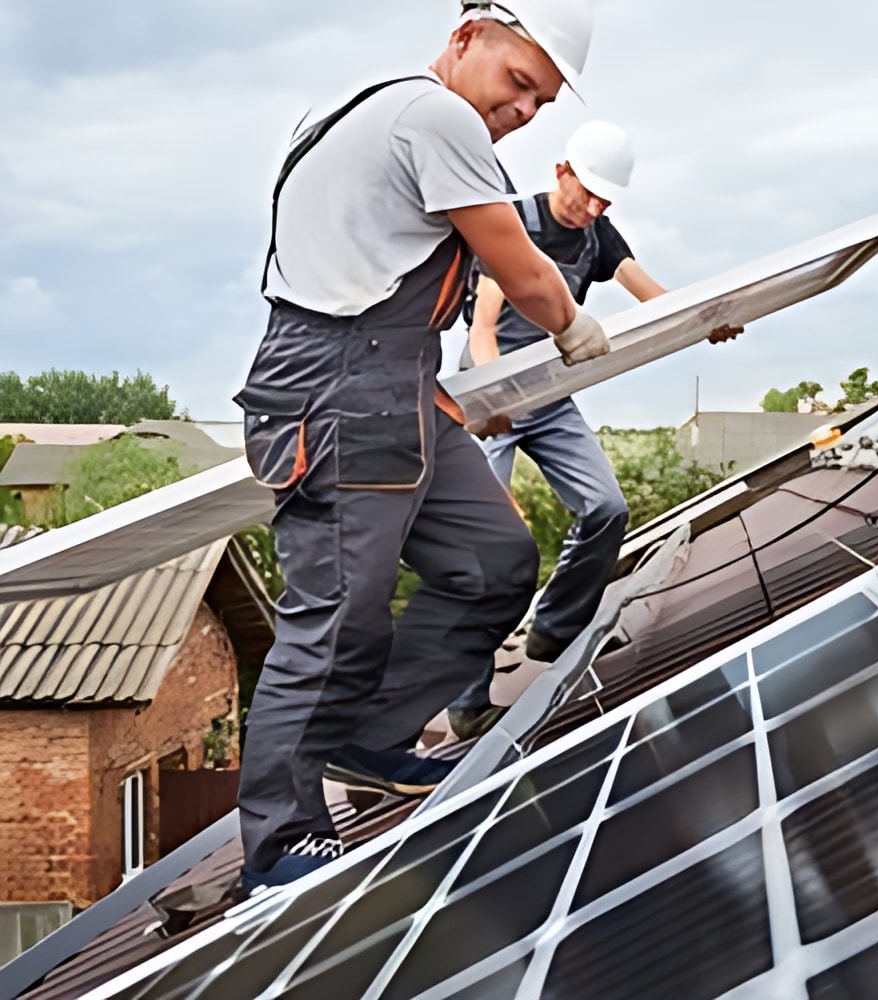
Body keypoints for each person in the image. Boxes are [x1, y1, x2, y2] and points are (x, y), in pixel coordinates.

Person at [232, 0, 604, 893]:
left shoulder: (368, 115)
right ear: (468, 33)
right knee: (338, 615)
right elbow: (519, 267)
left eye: (542, 102)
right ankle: (280, 842)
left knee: (494, 561)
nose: (522, 111)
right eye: (519, 83)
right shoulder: (430, 114)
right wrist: (570, 322)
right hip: (333, 384)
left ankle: (375, 735)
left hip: (396, 383)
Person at [445, 121, 742, 740]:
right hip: (492, 392)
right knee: (484, 547)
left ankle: (554, 628)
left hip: (551, 394)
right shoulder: (514, 223)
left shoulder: (597, 235)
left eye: (606, 200)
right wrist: (493, 401)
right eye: (586, 194)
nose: (593, 208)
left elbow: (650, 297)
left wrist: (705, 320)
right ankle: (468, 698)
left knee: (607, 507)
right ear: (562, 172)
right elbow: (483, 330)